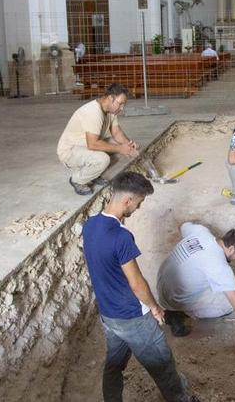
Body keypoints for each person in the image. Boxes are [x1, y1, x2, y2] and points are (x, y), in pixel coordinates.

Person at [81, 172, 195, 402]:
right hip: (132, 316)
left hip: (108, 314)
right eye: (139, 202)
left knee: (114, 365)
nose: (139, 208)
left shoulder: (90, 224)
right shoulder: (121, 237)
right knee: (163, 365)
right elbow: (136, 283)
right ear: (127, 201)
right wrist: (154, 307)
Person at [156, 222, 235, 340]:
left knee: (205, 276)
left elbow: (181, 225)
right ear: (231, 248)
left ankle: (177, 305)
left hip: (161, 284)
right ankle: (180, 312)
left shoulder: (200, 231)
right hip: (173, 299)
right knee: (229, 303)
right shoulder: (220, 267)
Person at [57, 83, 139, 196]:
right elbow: (93, 144)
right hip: (70, 151)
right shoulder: (93, 112)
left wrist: (128, 145)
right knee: (103, 159)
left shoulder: (111, 111)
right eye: (120, 104)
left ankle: (93, 174)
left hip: (84, 145)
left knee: (121, 145)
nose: (122, 108)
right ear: (111, 98)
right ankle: (77, 180)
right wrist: (121, 149)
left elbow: (116, 132)